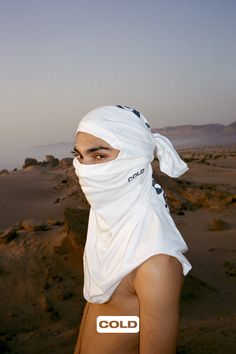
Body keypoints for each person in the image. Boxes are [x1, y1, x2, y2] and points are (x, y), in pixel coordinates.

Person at [72, 105, 192, 354]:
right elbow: (103, 312)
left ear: (135, 157)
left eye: (100, 156)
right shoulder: (107, 227)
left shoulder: (156, 265)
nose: (85, 168)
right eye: (80, 156)